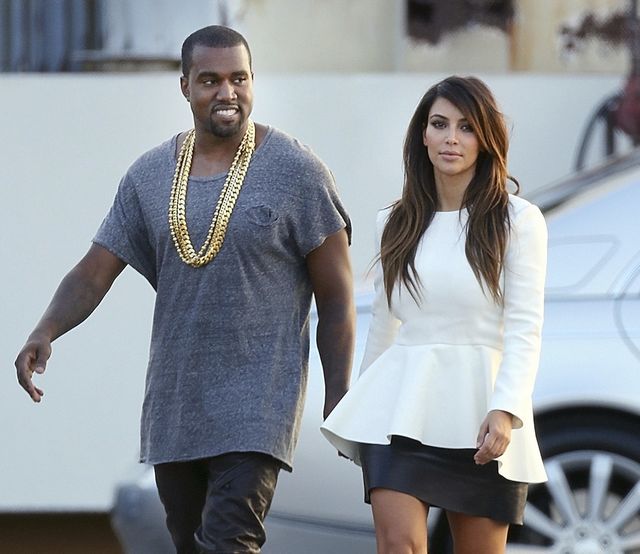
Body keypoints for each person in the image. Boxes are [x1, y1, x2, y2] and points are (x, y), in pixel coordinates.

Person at [15, 25, 355, 554]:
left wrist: (339, 396)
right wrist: (46, 329)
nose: (227, 92)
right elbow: (95, 269)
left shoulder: (297, 173)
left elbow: (336, 297)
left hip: (257, 408)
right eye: (210, 80)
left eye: (239, 78)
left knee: (229, 543)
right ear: (185, 86)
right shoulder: (149, 176)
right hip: (175, 408)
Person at [321, 76, 548, 553]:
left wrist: (505, 409)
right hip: (399, 412)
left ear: (485, 139)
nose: (451, 139)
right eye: (439, 124)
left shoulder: (519, 221)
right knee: (398, 545)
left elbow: (525, 328)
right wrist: (362, 415)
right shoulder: (394, 221)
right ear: (422, 135)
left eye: (466, 127)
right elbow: (385, 326)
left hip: (482, 415)